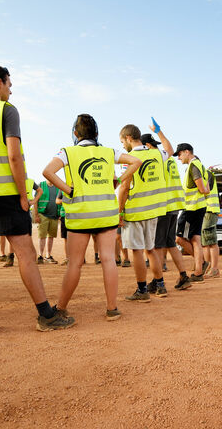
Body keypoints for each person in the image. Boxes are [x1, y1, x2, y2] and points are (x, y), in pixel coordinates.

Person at [0, 62, 74, 335]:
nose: (11, 88)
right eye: (9, 83)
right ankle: (46, 314)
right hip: (4, 192)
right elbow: (14, 155)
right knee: (26, 254)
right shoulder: (6, 110)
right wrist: (23, 194)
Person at [42, 114, 141, 321]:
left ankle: (61, 307)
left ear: (76, 133)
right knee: (108, 260)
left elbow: (48, 172)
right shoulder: (108, 151)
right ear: (96, 133)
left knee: (75, 263)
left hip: (80, 216)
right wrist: (118, 179)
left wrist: (68, 190)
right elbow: (136, 161)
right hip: (106, 214)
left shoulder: (67, 152)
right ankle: (112, 308)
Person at [117, 124, 168, 302]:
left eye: (122, 141)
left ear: (129, 138)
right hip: (154, 210)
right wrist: (158, 131)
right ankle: (160, 286)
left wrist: (119, 212)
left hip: (135, 211)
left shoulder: (128, 158)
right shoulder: (156, 153)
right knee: (151, 249)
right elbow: (168, 148)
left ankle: (142, 290)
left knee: (137, 251)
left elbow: (124, 187)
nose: (123, 145)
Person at [142, 125, 191, 291]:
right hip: (175, 205)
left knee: (156, 246)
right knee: (170, 243)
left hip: (163, 205)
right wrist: (159, 131)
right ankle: (183, 276)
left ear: (147, 146)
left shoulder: (155, 158)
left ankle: (158, 282)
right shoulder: (168, 158)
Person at [173, 142, 210, 283]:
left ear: (187, 152)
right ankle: (199, 271)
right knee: (195, 239)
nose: (178, 158)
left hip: (192, 208)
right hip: (198, 207)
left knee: (179, 238)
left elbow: (203, 189)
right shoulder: (200, 165)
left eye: (180, 154)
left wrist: (205, 191)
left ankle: (200, 264)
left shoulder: (194, 166)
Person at [201, 163, 221, 278]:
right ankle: (208, 268)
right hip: (206, 211)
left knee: (211, 241)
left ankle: (214, 269)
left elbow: (204, 190)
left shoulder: (207, 174)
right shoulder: (206, 174)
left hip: (210, 210)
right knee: (205, 243)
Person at [34, 179, 60, 264]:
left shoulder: (57, 187)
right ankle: (40, 256)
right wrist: (36, 215)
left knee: (51, 236)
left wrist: (59, 212)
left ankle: (48, 256)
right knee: (42, 236)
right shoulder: (41, 185)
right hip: (43, 215)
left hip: (54, 216)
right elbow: (35, 201)